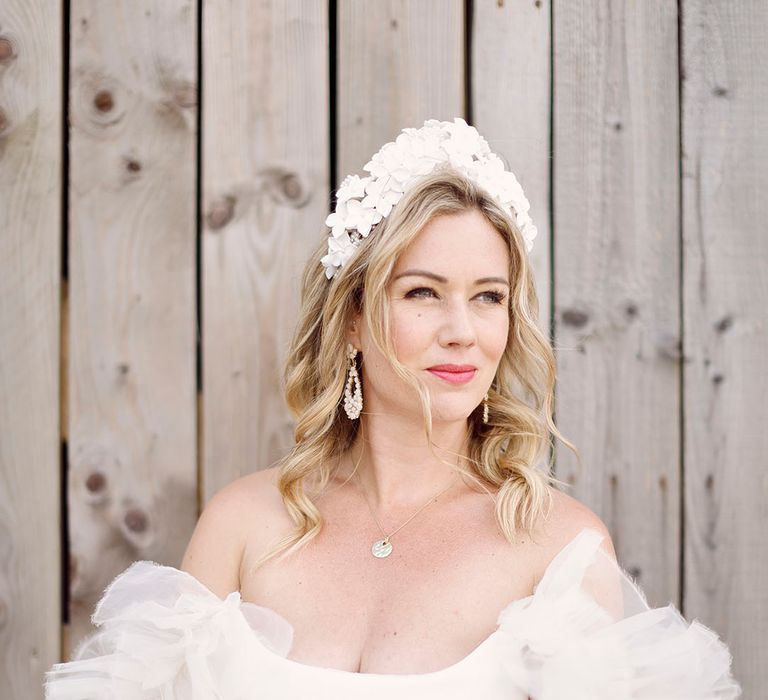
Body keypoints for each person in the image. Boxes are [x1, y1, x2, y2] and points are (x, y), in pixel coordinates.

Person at [44, 118, 741, 698]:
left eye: (488, 296)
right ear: (351, 318)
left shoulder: (557, 551)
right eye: (422, 292)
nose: (461, 330)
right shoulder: (242, 526)